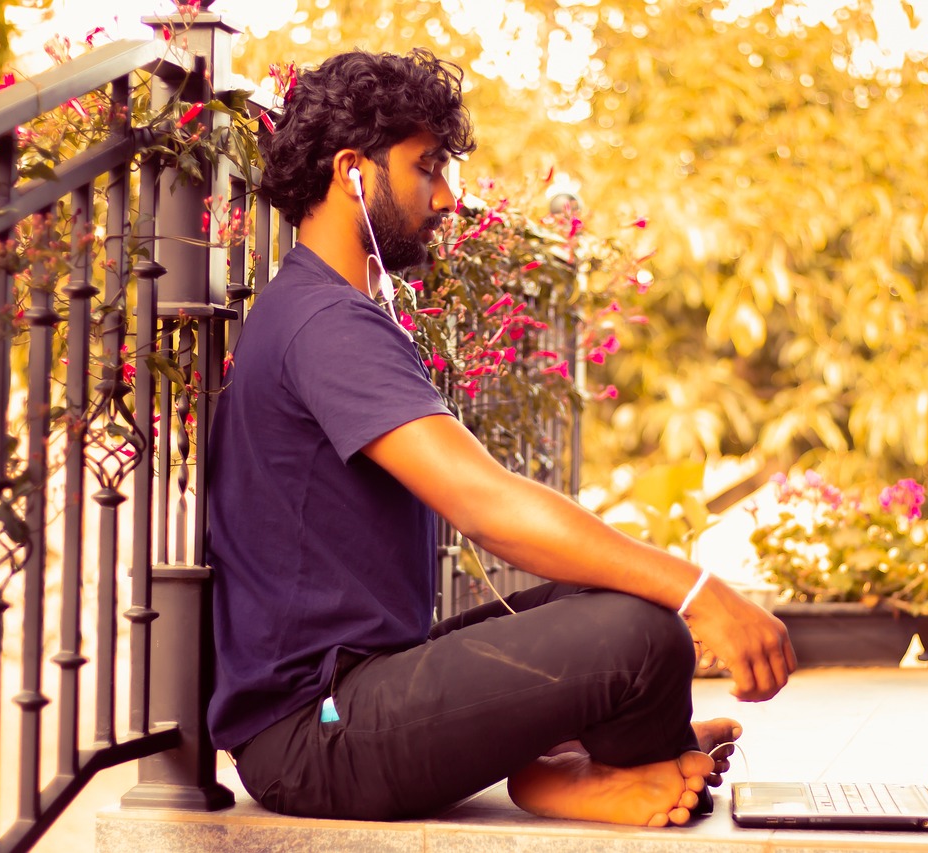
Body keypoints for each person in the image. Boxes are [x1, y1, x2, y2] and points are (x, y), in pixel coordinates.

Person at [205, 48, 796, 828]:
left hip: (358, 694)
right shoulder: (323, 322)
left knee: (617, 602)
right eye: (427, 168)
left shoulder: (319, 309)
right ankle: (589, 773)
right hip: (316, 737)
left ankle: (587, 765)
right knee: (646, 634)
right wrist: (700, 588)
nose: (449, 197)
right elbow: (485, 506)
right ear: (352, 170)